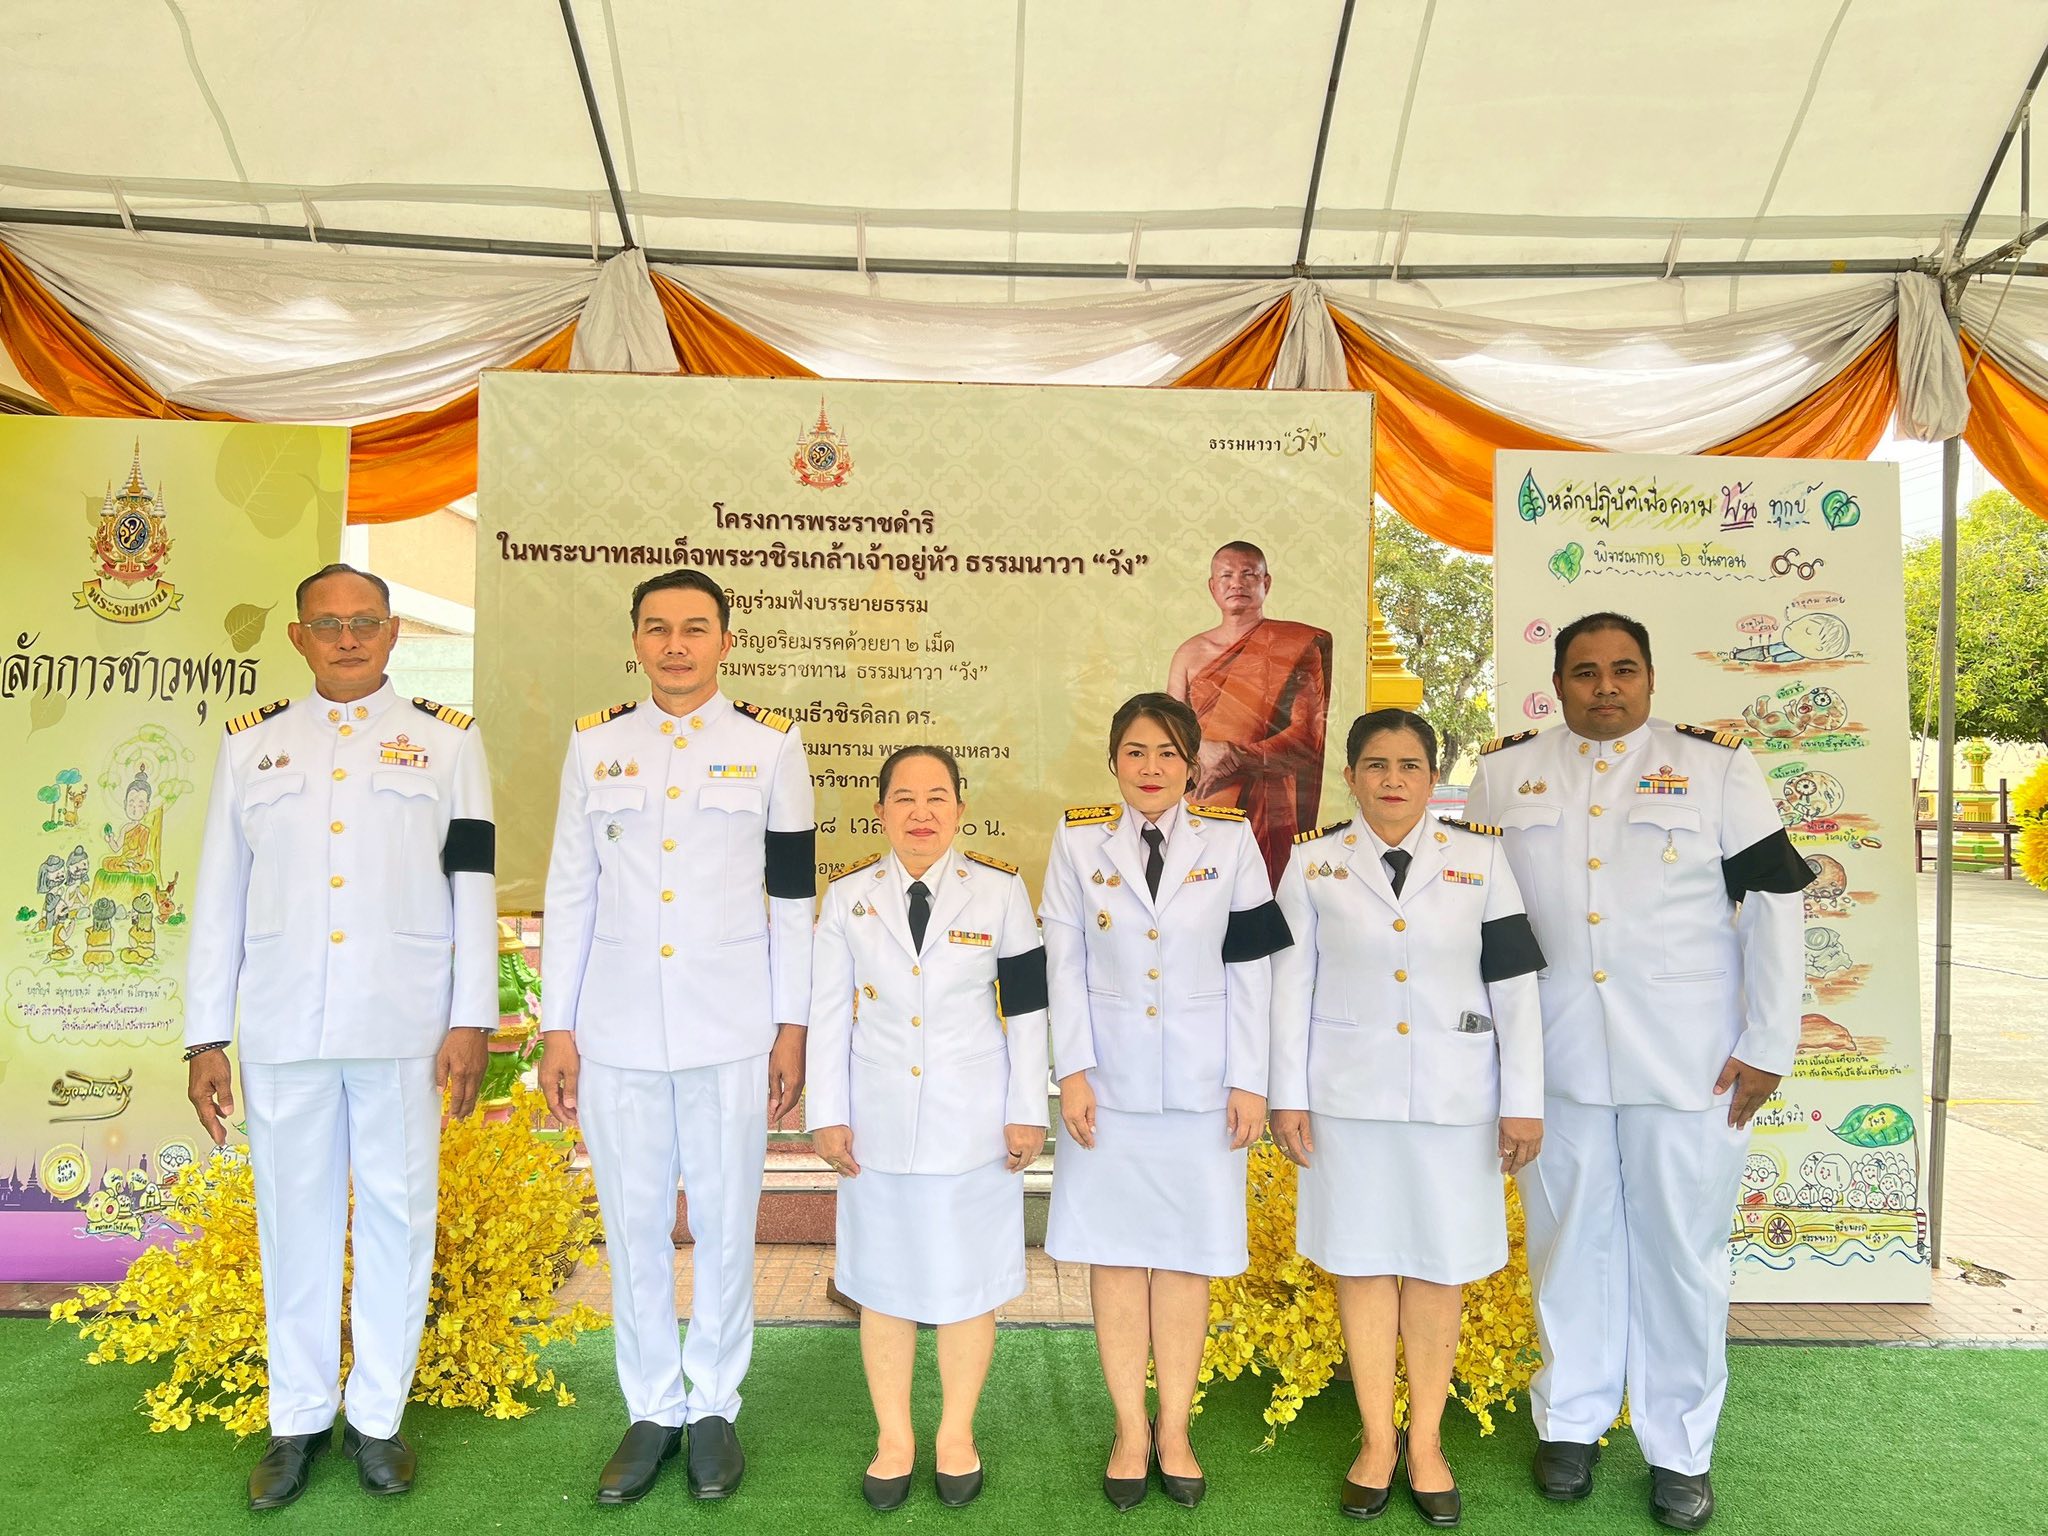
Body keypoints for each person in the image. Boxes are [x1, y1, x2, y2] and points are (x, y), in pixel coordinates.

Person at [1465, 612, 1812, 1533]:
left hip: (1692, 1061)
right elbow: (1481, 920)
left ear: (1651, 679)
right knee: (1567, 1243)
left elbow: (1775, 903)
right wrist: (1493, 1056)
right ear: (1557, 683)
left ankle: (1680, 1447)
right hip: (1556, 1059)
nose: (1605, 687)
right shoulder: (1504, 774)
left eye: (1623, 669)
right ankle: (1570, 1422)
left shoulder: (1718, 770)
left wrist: (1769, 1042)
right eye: (1585, 672)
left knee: (1683, 1255)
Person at [183, 563, 497, 1510]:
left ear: (394, 632)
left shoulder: (447, 742)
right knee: (294, 1217)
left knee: (401, 1214)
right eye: (327, 623)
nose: (347, 637)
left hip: (403, 1019)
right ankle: (297, 1419)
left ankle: (379, 1418)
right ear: (298, 637)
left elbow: (473, 883)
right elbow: (219, 896)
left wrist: (471, 1016)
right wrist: (205, 1036)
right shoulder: (252, 746)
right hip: (284, 1019)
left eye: (365, 621)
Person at [536, 567, 815, 1506]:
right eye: (657, 628)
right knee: (634, 1222)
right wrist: (558, 1025)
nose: (676, 644)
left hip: (730, 1022)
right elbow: (571, 889)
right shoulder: (595, 745)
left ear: (726, 642)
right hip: (616, 1025)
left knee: (728, 1220)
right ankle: (652, 1406)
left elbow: (792, 897)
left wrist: (791, 1026)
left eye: (696, 628)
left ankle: (715, 1407)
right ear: (636, 641)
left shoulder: (771, 746)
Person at [1270, 709, 1545, 1528]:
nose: (1393, 780)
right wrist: (1287, 1092)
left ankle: (1426, 1443)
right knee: (1359, 1266)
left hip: (1455, 1100)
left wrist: (1523, 1099)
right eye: (1377, 765)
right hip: (1346, 1100)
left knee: (1436, 1268)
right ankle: (1376, 1441)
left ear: (1432, 777)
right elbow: (1288, 987)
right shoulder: (1312, 862)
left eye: (1410, 765)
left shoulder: (1482, 858)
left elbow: (1514, 987)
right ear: (1351, 776)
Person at [1040, 691, 1292, 1510]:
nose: (1150, 768)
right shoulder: (1077, 840)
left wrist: (1251, 1077)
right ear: (1114, 761)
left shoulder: (1231, 840)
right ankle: (1129, 1430)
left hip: (1202, 1086)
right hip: (1106, 1090)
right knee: (1116, 1258)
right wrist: (1073, 1071)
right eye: (1135, 752)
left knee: (1186, 1260)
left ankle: (1175, 1429)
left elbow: (1252, 968)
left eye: (1167, 753)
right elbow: (1063, 964)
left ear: (1192, 766)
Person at [807, 746, 1050, 1511]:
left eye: (937, 797)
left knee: (968, 1285)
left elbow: (1029, 1011)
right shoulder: (848, 897)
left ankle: (955, 1435)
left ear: (960, 808)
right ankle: (894, 1441)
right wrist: (827, 1113)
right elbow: (825, 1015)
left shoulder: (1001, 893)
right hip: (876, 1126)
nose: (921, 813)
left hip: (974, 1124)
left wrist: (1028, 1108)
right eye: (905, 798)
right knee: (882, 1284)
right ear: (880, 809)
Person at [1168, 541, 1333, 883]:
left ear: (1266, 583)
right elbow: (1170, 733)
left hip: (1267, 803)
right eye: (1226, 576)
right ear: (1212, 586)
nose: (1236, 584)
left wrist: (1236, 755)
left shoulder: (1294, 645)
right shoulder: (1189, 653)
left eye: (1248, 574)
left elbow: (1306, 738)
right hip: (1204, 795)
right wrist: (1199, 751)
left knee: (1262, 895)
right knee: (1197, 892)